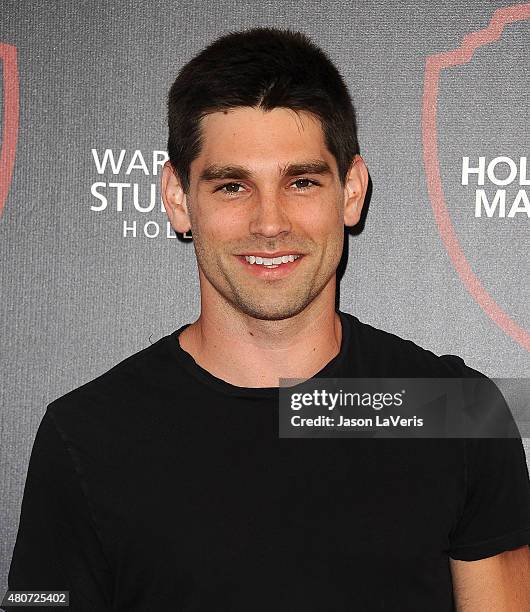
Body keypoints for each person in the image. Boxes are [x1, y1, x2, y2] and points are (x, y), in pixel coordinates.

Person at [5, 27, 529, 612]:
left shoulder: (455, 411)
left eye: (301, 181)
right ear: (178, 198)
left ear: (351, 191)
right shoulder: (86, 435)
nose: (270, 222)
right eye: (232, 186)